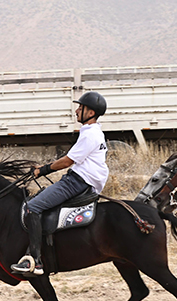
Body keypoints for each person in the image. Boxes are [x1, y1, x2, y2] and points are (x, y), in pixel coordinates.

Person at [11, 91, 109, 275]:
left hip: (77, 182)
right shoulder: (93, 132)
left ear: (90, 113)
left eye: (81, 107)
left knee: (32, 207)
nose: (76, 110)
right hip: (82, 180)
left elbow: (67, 161)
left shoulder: (90, 135)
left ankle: (35, 261)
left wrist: (43, 170)